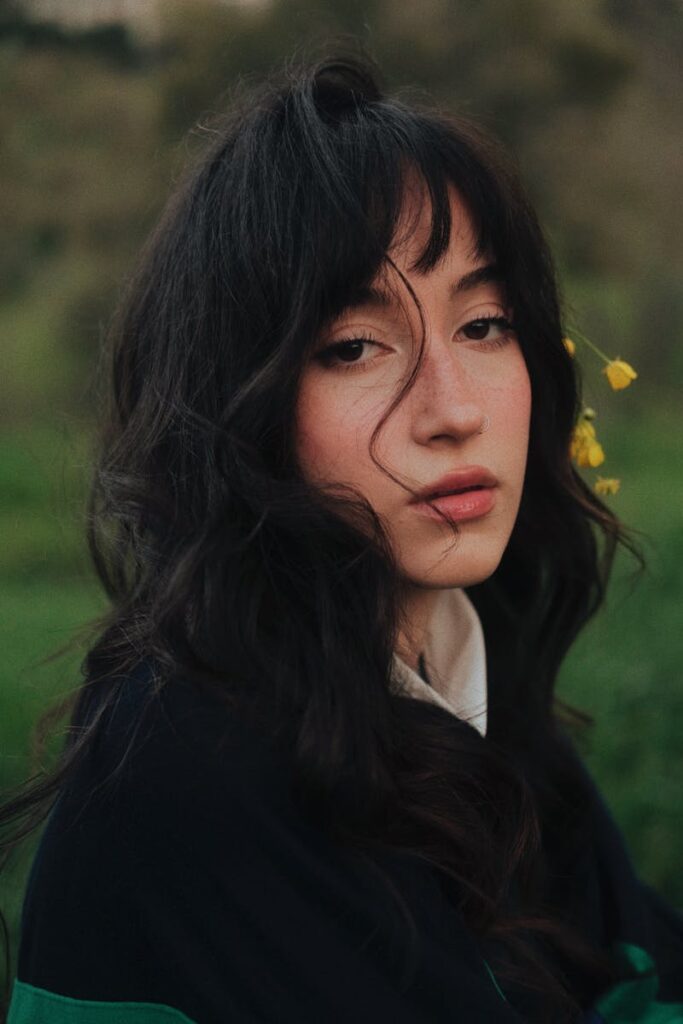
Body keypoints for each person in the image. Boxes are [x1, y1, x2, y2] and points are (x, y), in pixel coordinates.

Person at [2, 53, 683, 1024]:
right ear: (243, 407)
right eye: (355, 346)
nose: (451, 410)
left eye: (484, 323)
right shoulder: (185, 767)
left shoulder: (477, 701)